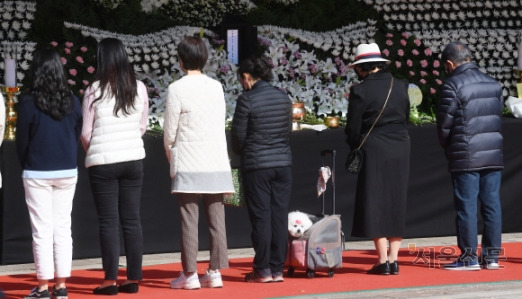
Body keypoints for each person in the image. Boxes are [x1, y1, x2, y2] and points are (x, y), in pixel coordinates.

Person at [164, 36, 233, 290]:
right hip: (216, 160)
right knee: (217, 219)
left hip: (189, 162)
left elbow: (169, 132)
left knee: (189, 219)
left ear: (181, 60)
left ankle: (190, 274)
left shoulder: (176, 88)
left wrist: (172, 156)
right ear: (203, 58)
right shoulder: (216, 86)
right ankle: (215, 272)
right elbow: (221, 122)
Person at [81, 38, 149, 295]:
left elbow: (86, 132)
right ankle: (132, 279)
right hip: (133, 159)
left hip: (103, 162)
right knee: (132, 219)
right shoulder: (138, 87)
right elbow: (142, 126)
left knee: (108, 221)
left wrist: (97, 150)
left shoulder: (94, 89)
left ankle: (110, 280)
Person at [16, 48, 82, 299]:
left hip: (37, 170)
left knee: (41, 231)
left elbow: (22, 141)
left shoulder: (29, 102)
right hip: (66, 169)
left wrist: (26, 165)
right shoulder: (73, 100)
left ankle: (43, 287)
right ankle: (61, 286)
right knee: (63, 228)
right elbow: (76, 134)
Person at [436, 41, 504, 271]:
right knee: (492, 205)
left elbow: (444, 125)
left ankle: (469, 258)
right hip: (492, 153)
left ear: (449, 63)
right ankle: (492, 258)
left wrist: (447, 147)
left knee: (466, 208)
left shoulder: (453, 85)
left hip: (465, 155)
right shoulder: (493, 83)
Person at [345, 43, 410, 275]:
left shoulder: (360, 91)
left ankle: (383, 260)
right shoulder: (401, 85)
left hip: (374, 147)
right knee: (396, 198)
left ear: (361, 68)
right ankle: (394, 259)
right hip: (401, 145)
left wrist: (355, 146)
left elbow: (352, 129)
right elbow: (405, 116)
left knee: (375, 199)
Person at [231, 55, 293, 283]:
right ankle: (277, 269)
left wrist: (242, 152)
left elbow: (237, 136)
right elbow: (287, 131)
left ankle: (262, 269)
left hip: (257, 165)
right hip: (283, 164)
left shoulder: (246, 99)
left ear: (246, 77)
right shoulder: (283, 97)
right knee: (279, 215)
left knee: (261, 217)